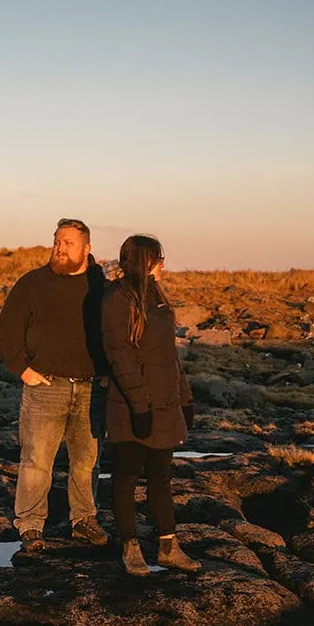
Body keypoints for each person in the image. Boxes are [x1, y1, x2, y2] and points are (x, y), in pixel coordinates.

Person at [0, 218, 111, 551]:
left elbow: (115, 334)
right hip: (46, 387)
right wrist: (23, 370)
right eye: (57, 241)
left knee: (87, 460)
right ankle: (30, 525)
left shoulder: (101, 287)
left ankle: (84, 519)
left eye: (68, 243)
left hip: (92, 389)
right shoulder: (32, 283)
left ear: (87, 249)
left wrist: (108, 372)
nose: (59, 248)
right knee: (36, 461)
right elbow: (7, 331)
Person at [100, 234, 200, 577]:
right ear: (145, 261)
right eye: (159, 258)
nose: (163, 264)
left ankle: (169, 546)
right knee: (126, 475)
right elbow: (120, 357)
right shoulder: (117, 298)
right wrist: (140, 406)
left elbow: (169, 357)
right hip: (130, 406)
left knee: (161, 476)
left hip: (165, 404)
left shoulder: (157, 297)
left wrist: (184, 399)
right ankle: (130, 548)